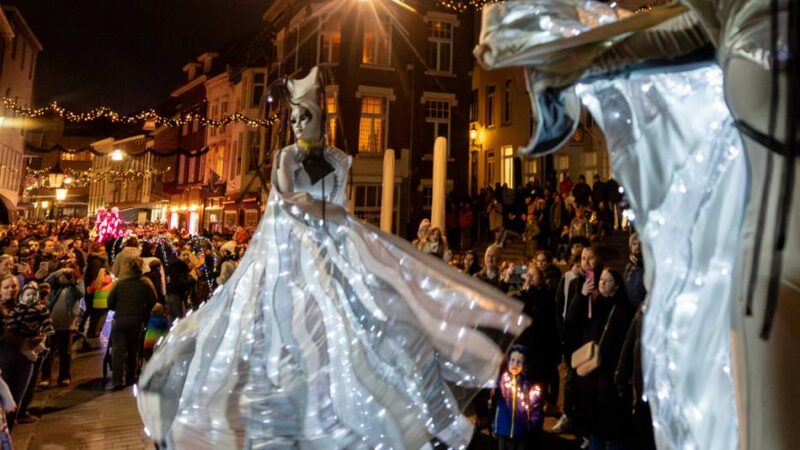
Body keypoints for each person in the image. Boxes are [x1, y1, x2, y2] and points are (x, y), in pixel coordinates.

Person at [136, 67, 529, 449]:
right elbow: (287, 202)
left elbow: (340, 206)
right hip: (293, 259)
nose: (296, 124)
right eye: (293, 117)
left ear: (319, 118)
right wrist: (314, 210)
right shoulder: (286, 159)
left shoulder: (342, 161)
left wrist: (329, 221)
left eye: (303, 116)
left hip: (331, 253)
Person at [567, 268, 633, 450]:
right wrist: (580, 296)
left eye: (608, 280)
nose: (603, 283)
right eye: (601, 279)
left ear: (617, 285)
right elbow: (572, 320)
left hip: (609, 373)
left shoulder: (622, 308)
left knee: (611, 428)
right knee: (593, 426)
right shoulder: (591, 302)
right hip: (589, 372)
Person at [108, 257, 157, 390]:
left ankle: (117, 380)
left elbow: (110, 301)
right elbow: (153, 299)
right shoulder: (145, 282)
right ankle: (131, 376)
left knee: (118, 350)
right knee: (133, 348)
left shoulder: (120, 283)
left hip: (120, 318)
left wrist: (117, 308)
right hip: (137, 319)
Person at [490, 345, 544, 449]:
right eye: (512, 360)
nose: (515, 364)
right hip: (503, 430)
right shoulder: (501, 382)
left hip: (520, 431)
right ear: (508, 361)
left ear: (525, 364)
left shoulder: (527, 385)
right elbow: (494, 407)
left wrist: (533, 423)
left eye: (519, 361)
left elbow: (534, 406)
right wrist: (494, 426)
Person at [40, 268, 84, 387]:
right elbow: (45, 282)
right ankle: (46, 377)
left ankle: (64, 376)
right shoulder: (53, 289)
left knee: (65, 352)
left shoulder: (74, 290)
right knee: (48, 352)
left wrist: (73, 277)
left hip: (66, 326)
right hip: (50, 324)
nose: (62, 278)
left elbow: (81, 291)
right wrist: (57, 272)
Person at [623, 233, 646, 308]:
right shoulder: (628, 267)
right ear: (630, 247)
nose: (637, 246)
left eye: (640, 243)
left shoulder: (649, 266)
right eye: (634, 244)